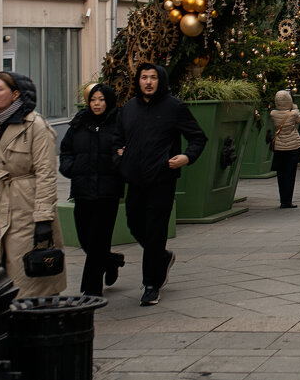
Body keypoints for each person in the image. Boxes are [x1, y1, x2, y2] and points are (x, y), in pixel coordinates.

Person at [113, 63, 207, 306]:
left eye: (153, 77)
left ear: (160, 80)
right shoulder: (128, 109)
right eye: (144, 77)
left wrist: (186, 157)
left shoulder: (174, 107)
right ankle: (161, 257)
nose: (148, 82)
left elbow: (198, 137)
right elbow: (116, 138)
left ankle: (151, 285)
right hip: (135, 180)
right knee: (134, 224)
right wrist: (119, 155)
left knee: (155, 232)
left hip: (161, 180)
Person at [0, 71, 66, 298]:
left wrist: (43, 217)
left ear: (15, 95)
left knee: (26, 276)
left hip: (26, 207)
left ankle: (34, 319)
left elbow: (46, 173)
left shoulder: (35, 125)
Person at [59, 83, 125, 297]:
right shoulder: (80, 123)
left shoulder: (119, 123)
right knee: (85, 237)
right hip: (82, 189)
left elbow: (127, 149)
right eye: (93, 99)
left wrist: (120, 162)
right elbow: (66, 150)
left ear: (109, 101)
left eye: (101, 99)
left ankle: (91, 288)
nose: (97, 104)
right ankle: (111, 261)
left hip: (108, 191)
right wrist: (71, 168)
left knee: (98, 239)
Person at [269, 90, 300, 209]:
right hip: (293, 145)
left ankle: (282, 199)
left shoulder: (273, 113)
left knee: (281, 174)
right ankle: (288, 200)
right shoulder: (293, 113)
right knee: (290, 173)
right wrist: (294, 107)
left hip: (279, 146)